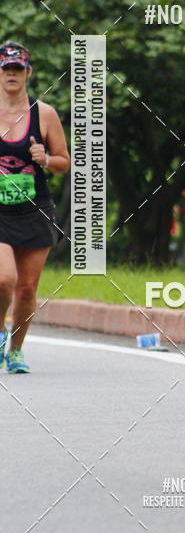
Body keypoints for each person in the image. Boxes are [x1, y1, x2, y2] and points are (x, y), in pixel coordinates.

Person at [0, 42, 70, 373]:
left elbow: (63, 162)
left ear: (28, 73)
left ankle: (15, 350)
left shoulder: (44, 113)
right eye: (5, 69)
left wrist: (46, 159)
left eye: (17, 69)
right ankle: (0, 332)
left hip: (34, 210)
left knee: (27, 288)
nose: (11, 74)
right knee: (4, 279)